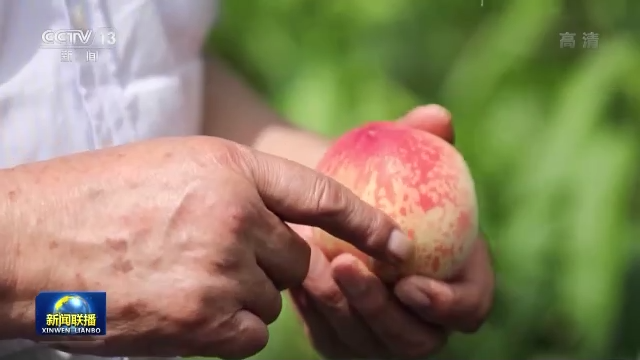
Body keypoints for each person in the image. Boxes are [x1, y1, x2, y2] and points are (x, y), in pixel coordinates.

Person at [0, 0, 495, 359]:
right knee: (63, 316)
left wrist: (339, 196)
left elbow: (151, 67)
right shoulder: (57, 307)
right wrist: (28, 261)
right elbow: (45, 312)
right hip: (54, 317)